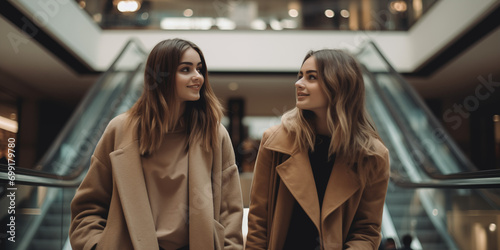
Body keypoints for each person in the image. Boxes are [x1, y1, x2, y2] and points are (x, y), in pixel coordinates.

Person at [70, 38, 244, 250]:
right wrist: (97, 245)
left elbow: (230, 211)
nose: (197, 77)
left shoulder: (214, 134)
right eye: (185, 69)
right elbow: (88, 206)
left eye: (199, 69)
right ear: (162, 75)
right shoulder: (120, 130)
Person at [245, 49, 390, 249]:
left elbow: (367, 230)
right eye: (300, 76)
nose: (298, 83)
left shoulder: (372, 155)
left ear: (339, 85)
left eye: (311, 77)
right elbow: (258, 221)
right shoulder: (275, 142)